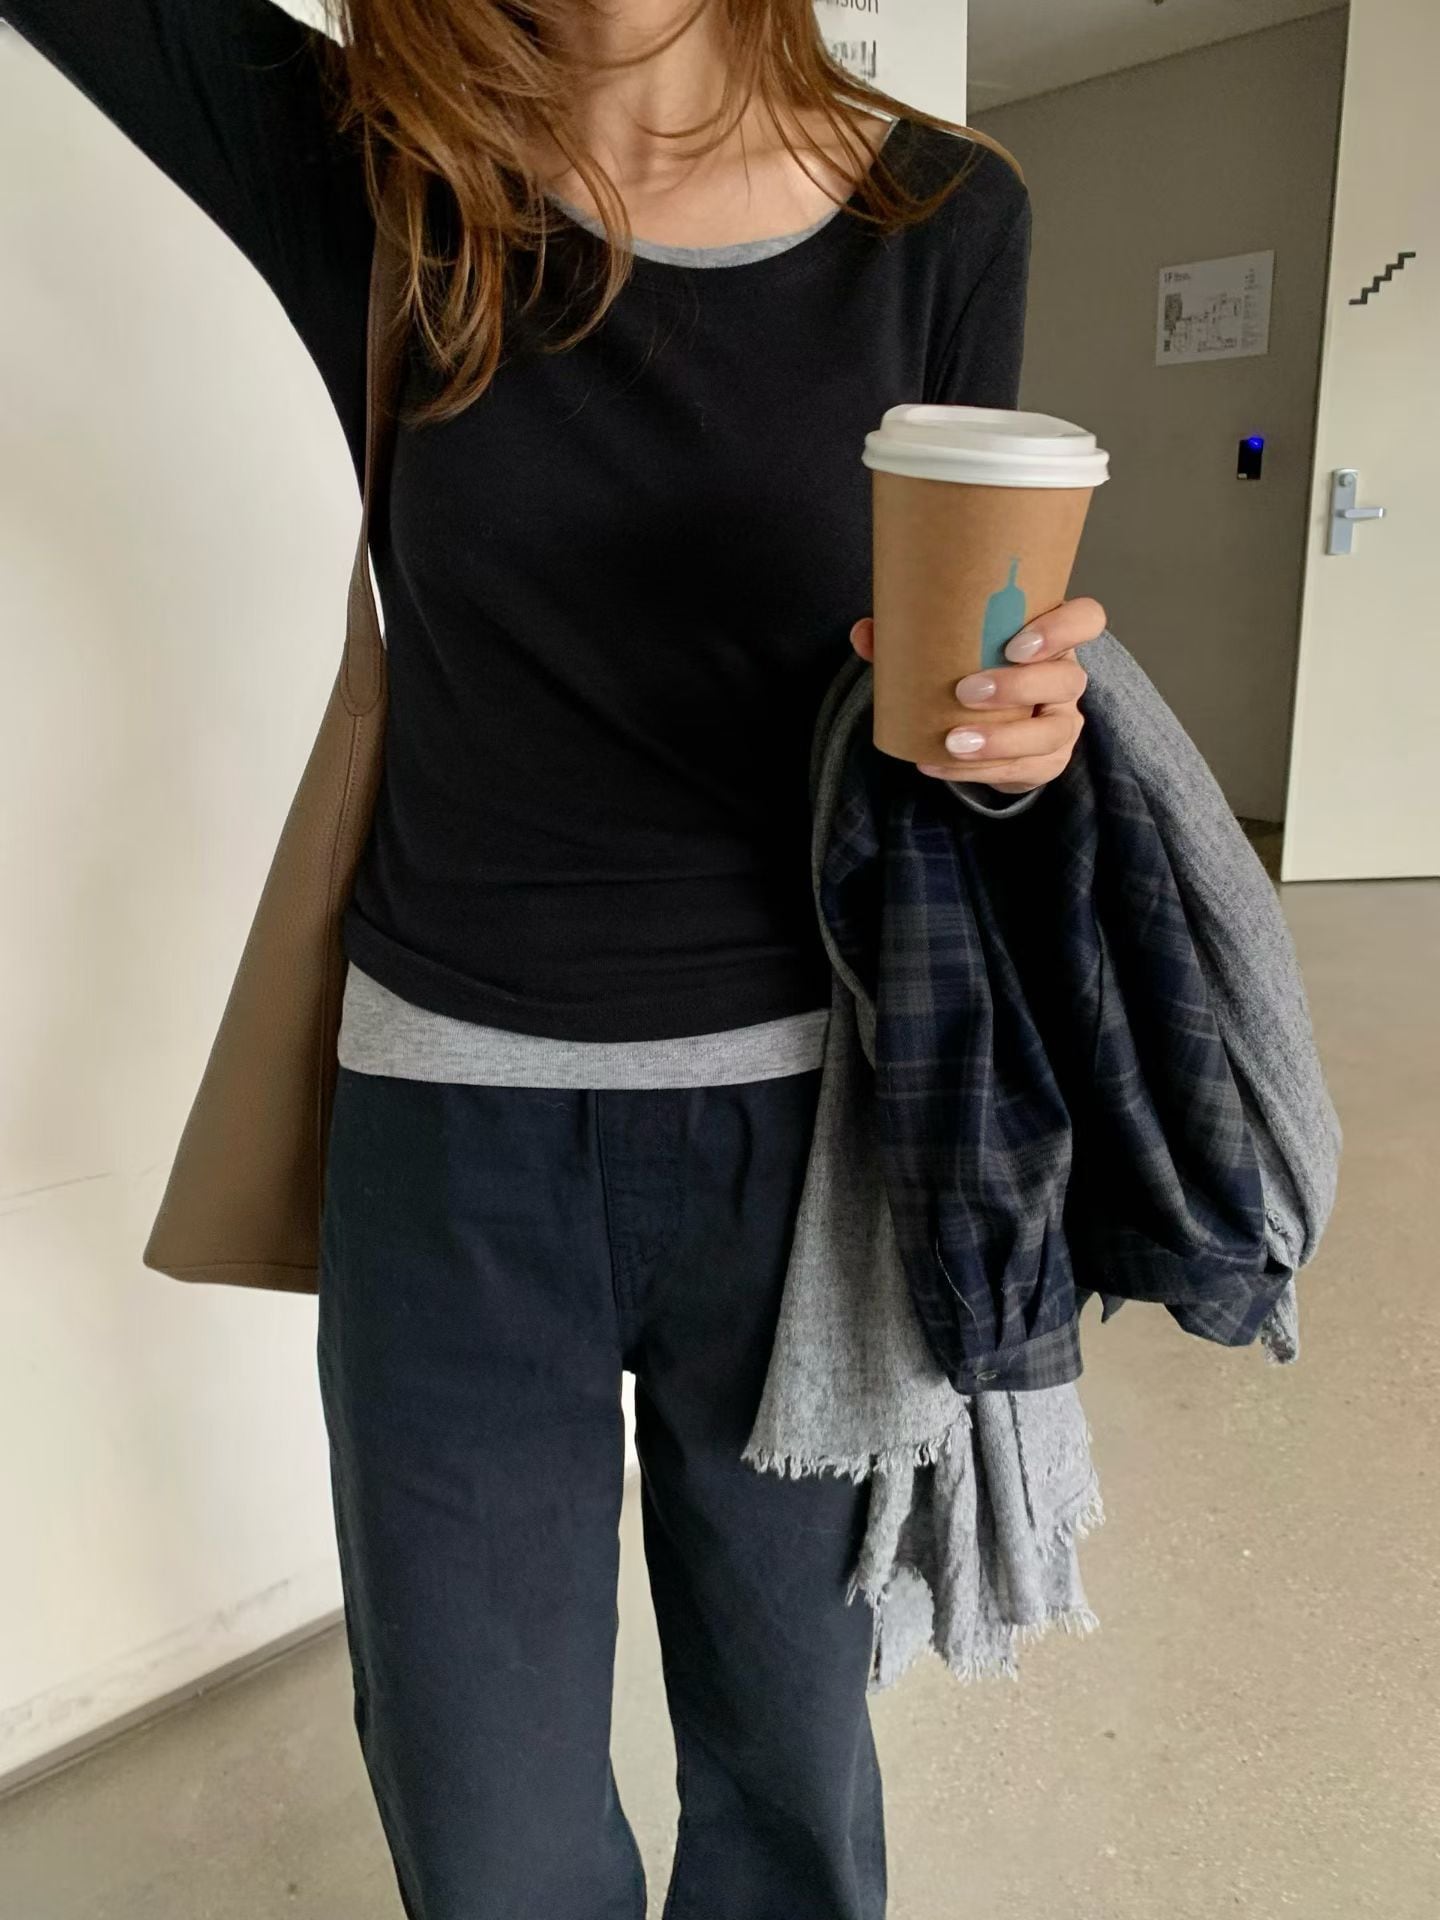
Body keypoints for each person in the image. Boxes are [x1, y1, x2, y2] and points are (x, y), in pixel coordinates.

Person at [8, 0, 1107, 1912]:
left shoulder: (944, 218)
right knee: (485, 1823)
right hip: (449, 1142)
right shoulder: (382, 174)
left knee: (790, 1777)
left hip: (804, 1145)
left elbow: (943, 692)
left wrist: (1012, 746)